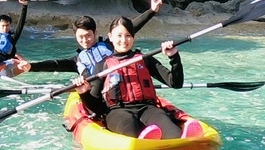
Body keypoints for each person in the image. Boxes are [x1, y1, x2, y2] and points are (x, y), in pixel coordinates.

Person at [71, 15, 201, 140]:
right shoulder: (103, 65)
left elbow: (175, 83)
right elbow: (97, 107)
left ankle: (182, 140)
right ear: (110, 37)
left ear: (133, 37)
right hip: (117, 111)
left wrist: (174, 57)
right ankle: (145, 141)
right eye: (119, 36)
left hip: (147, 108)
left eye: (128, 35)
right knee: (131, 128)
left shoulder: (144, 59)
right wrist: (83, 93)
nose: (124, 40)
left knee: (172, 132)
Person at [17, 0, 164, 77]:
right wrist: (32, 66)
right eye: (80, 37)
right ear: (75, 36)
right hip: (98, 94)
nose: (85, 40)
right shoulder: (78, 60)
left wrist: (152, 11)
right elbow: (55, 64)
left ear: (95, 33)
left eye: (88, 35)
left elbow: (132, 27)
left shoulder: (109, 44)